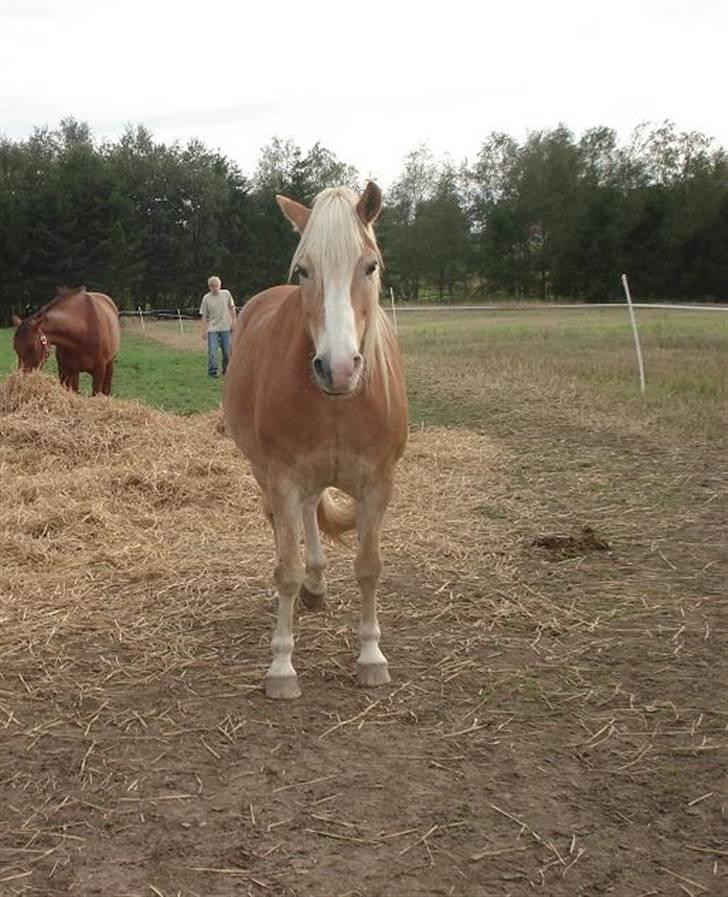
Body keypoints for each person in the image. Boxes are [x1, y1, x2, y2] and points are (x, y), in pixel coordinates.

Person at [199, 276, 236, 378]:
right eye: (213, 286)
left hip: (226, 328)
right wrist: (204, 330)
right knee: (212, 351)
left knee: (227, 352)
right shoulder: (206, 298)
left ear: (220, 285)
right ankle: (212, 372)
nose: (215, 288)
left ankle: (227, 370)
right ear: (209, 287)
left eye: (217, 286)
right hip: (213, 329)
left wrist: (234, 322)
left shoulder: (226, 294)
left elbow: (232, 308)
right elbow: (204, 315)